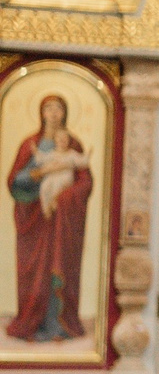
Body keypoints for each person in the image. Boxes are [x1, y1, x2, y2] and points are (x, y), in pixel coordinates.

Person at [9, 94, 93, 344]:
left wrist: (66, 197)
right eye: (49, 108)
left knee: (60, 267)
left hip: (63, 220)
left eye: (58, 109)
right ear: (41, 113)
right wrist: (39, 173)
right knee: (34, 272)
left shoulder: (74, 145)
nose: (54, 113)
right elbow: (16, 181)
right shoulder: (30, 145)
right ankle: (31, 325)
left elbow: (85, 181)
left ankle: (59, 326)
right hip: (34, 218)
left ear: (65, 113)